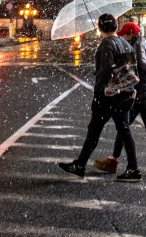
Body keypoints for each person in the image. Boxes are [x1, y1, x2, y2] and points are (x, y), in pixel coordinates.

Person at [58, 13, 141, 182]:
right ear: (116, 27)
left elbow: (104, 72)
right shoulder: (125, 43)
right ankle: (133, 168)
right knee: (124, 130)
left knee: (94, 131)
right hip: (126, 93)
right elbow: (133, 68)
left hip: (109, 96)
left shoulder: (106, 45)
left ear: (100, 27)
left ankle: (80, 166)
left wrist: (99, 91)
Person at [94, 22, 146, 177]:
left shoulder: (137, 45)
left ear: (130, 34)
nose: (122, 38)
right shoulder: (142, 42)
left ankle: (115, 161)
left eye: (124, 35)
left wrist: (130, 79)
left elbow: (142, 69)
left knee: (123, 125)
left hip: (140, 95)